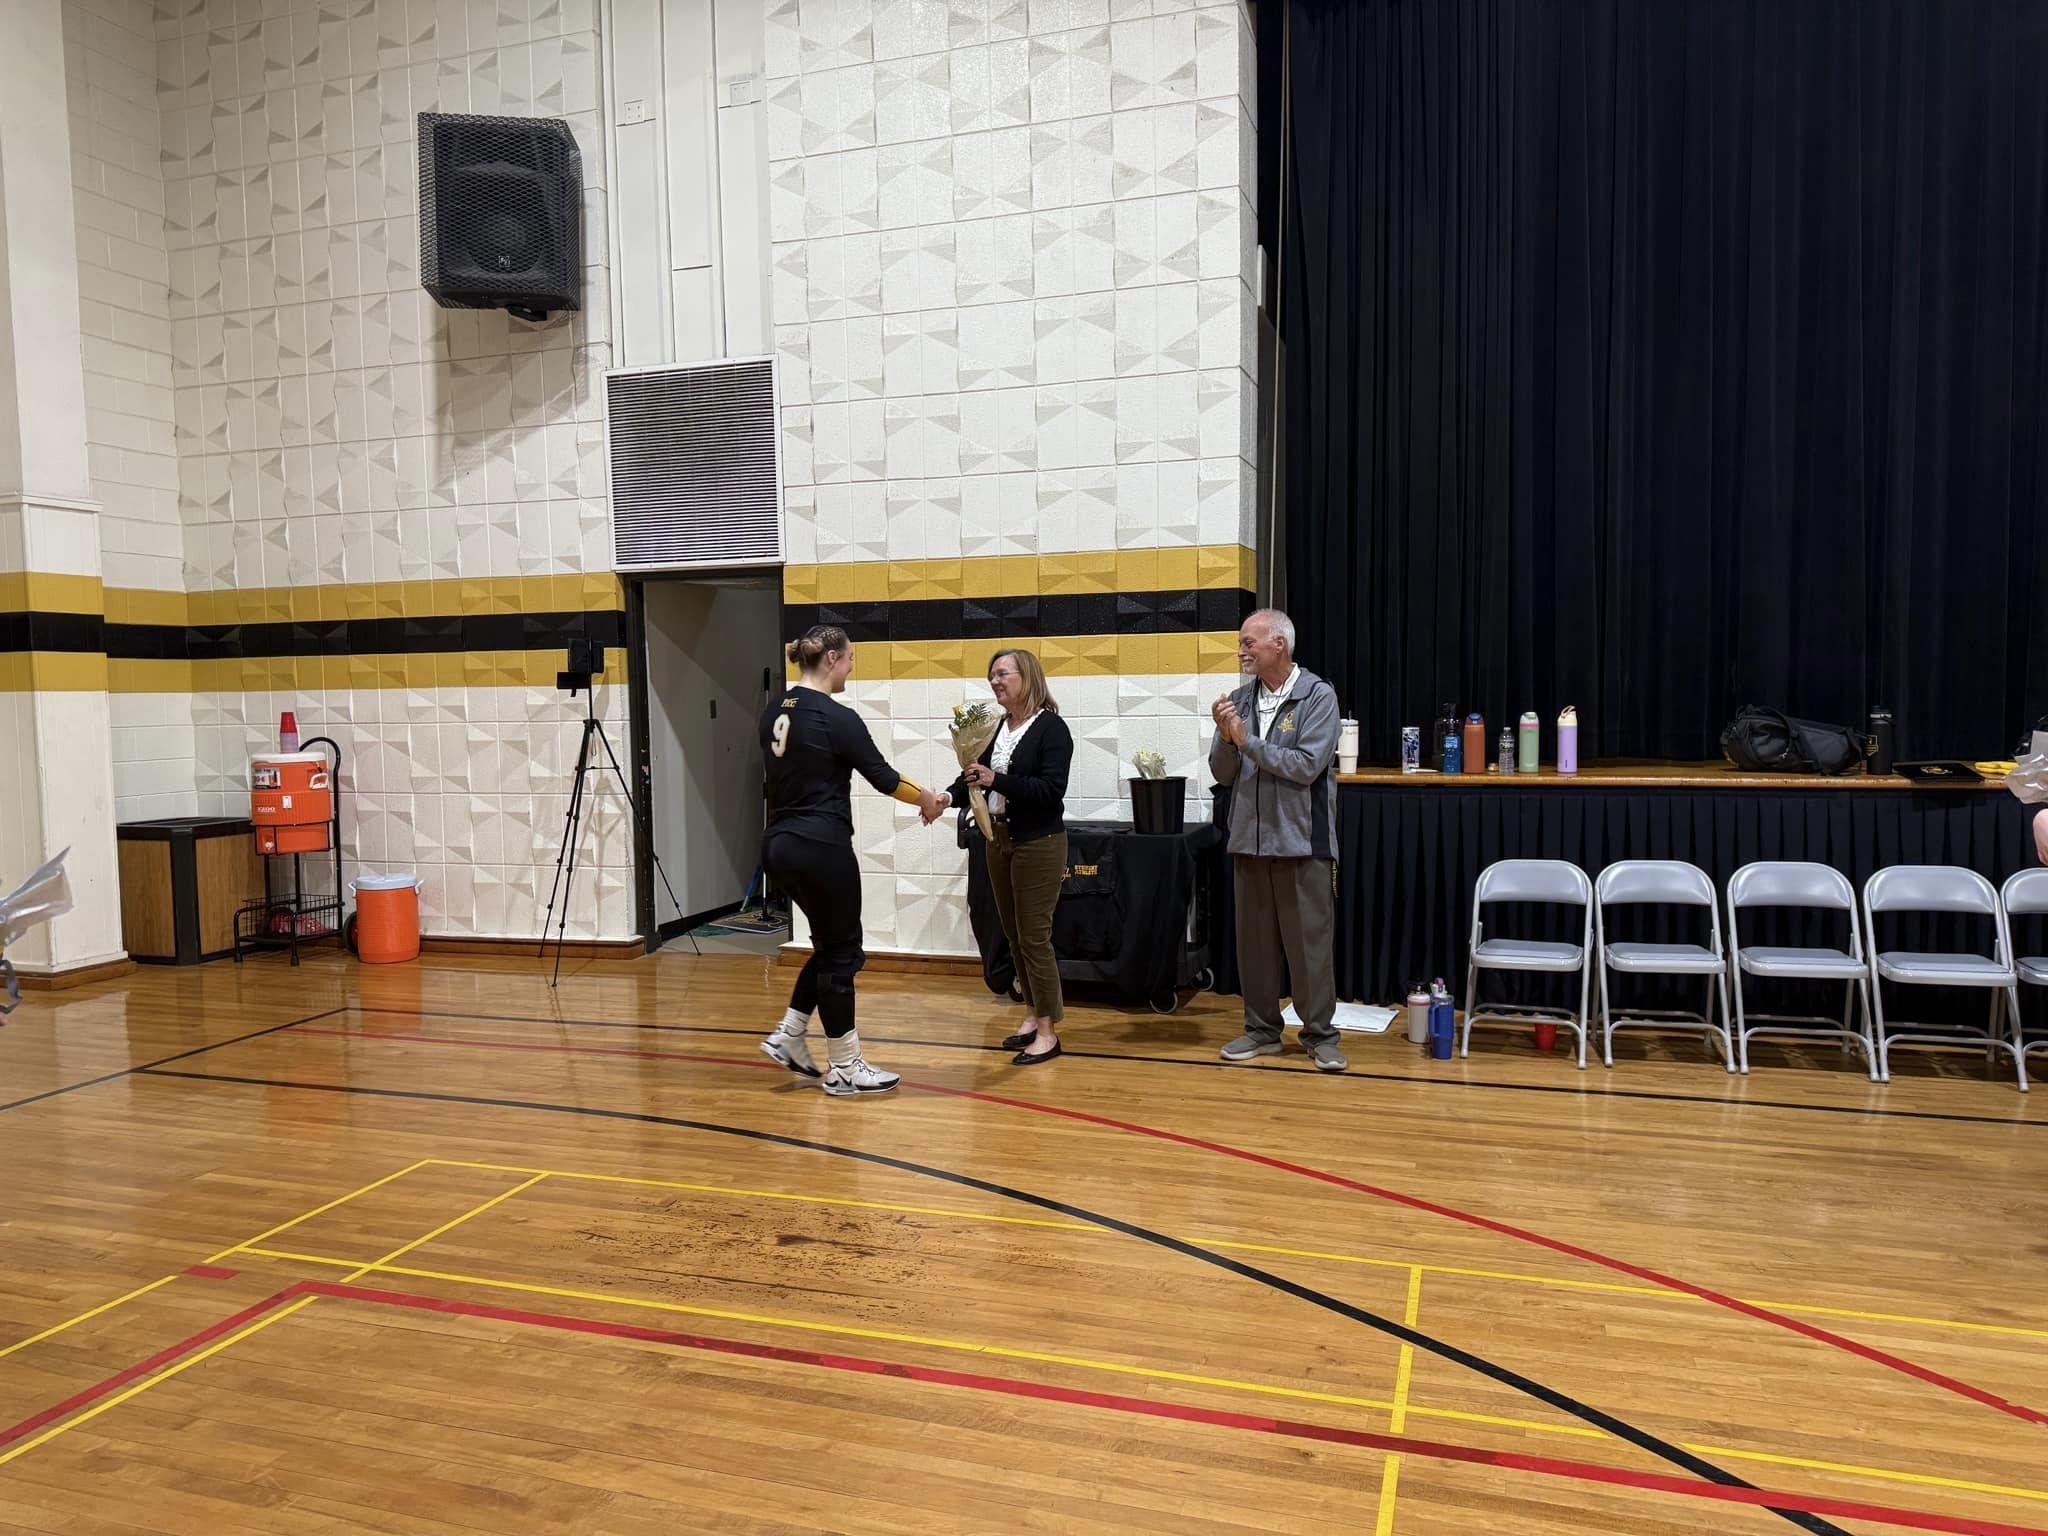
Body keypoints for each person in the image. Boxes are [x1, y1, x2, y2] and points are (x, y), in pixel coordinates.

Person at [757, 626, 945, 1096]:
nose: (852, 668)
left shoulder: (774, 710)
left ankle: (791, 1032)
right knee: (844, 954)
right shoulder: (836, 717)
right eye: (850, 659)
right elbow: (882, 777)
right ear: (833, 658)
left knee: (828, 946)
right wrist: (926, 798)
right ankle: (844, 1068)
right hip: (821, 846)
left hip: (778, 843)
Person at [1208, 609, 1347, 1072]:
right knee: (1255, 947)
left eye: (1250, 642)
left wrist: (1245, 741)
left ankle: (1320, 1035)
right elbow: (1222, 773)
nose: (1242, 650)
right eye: (1242, 643)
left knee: (1309, 947)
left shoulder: (1317, 696)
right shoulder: (1239, 701)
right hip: (1248, 842)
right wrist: (1228, 741)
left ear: (1279, 645)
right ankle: (1261, 1031)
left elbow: (1306, 766)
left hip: (1302, 844)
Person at [927, 650, 1074, 1065]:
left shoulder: (1052, 729)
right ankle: (1031, 1014)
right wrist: (945, 798)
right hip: (998, 840)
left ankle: (1048, 1032)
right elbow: (971, 777)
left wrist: (999, 780)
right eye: (991, 674)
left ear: (1027, 676)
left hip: (1038, 843)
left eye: (1002, 673)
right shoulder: (995, 729)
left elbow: (1050, 791)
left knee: (1034, 937)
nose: (994, 681)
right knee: (1012, 935)